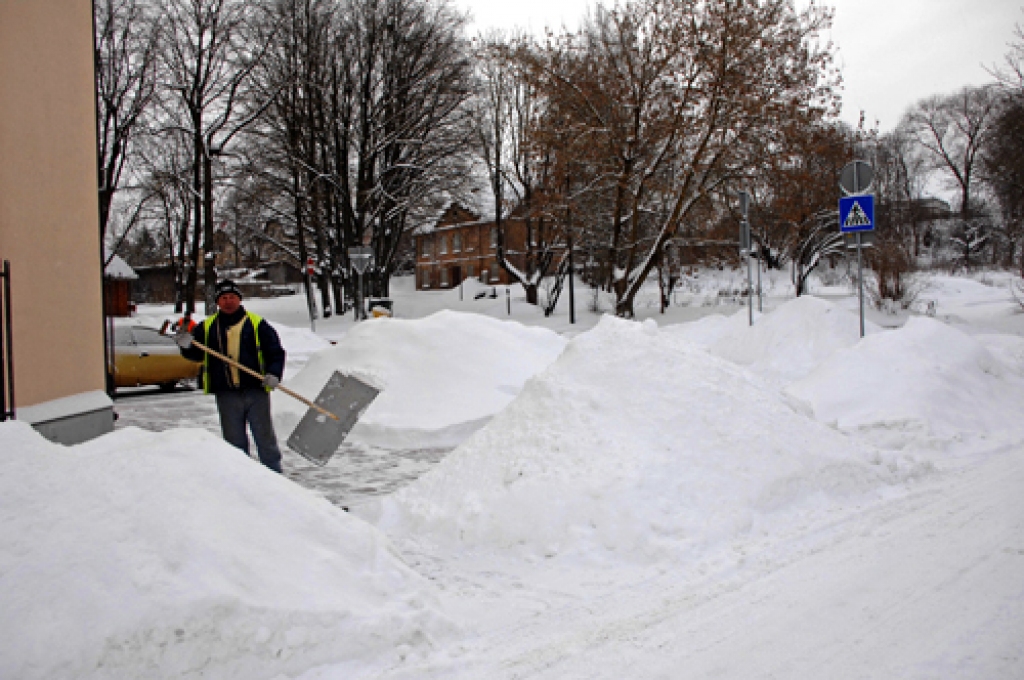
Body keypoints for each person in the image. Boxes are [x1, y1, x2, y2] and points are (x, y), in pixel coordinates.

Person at [175, 279, 287, 473]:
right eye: (224, 298)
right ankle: (241, 478)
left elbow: (275, 352)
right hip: (226, 393)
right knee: (234, 442)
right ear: (218, 302)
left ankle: (274, 477)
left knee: (264, 438)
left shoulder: (256, 324)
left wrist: (274, 374)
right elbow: (196, 354)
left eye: (232, 297)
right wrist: (186, 346)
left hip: (256, 390)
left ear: (239, 300)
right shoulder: (207, 327)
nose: (228, 301)